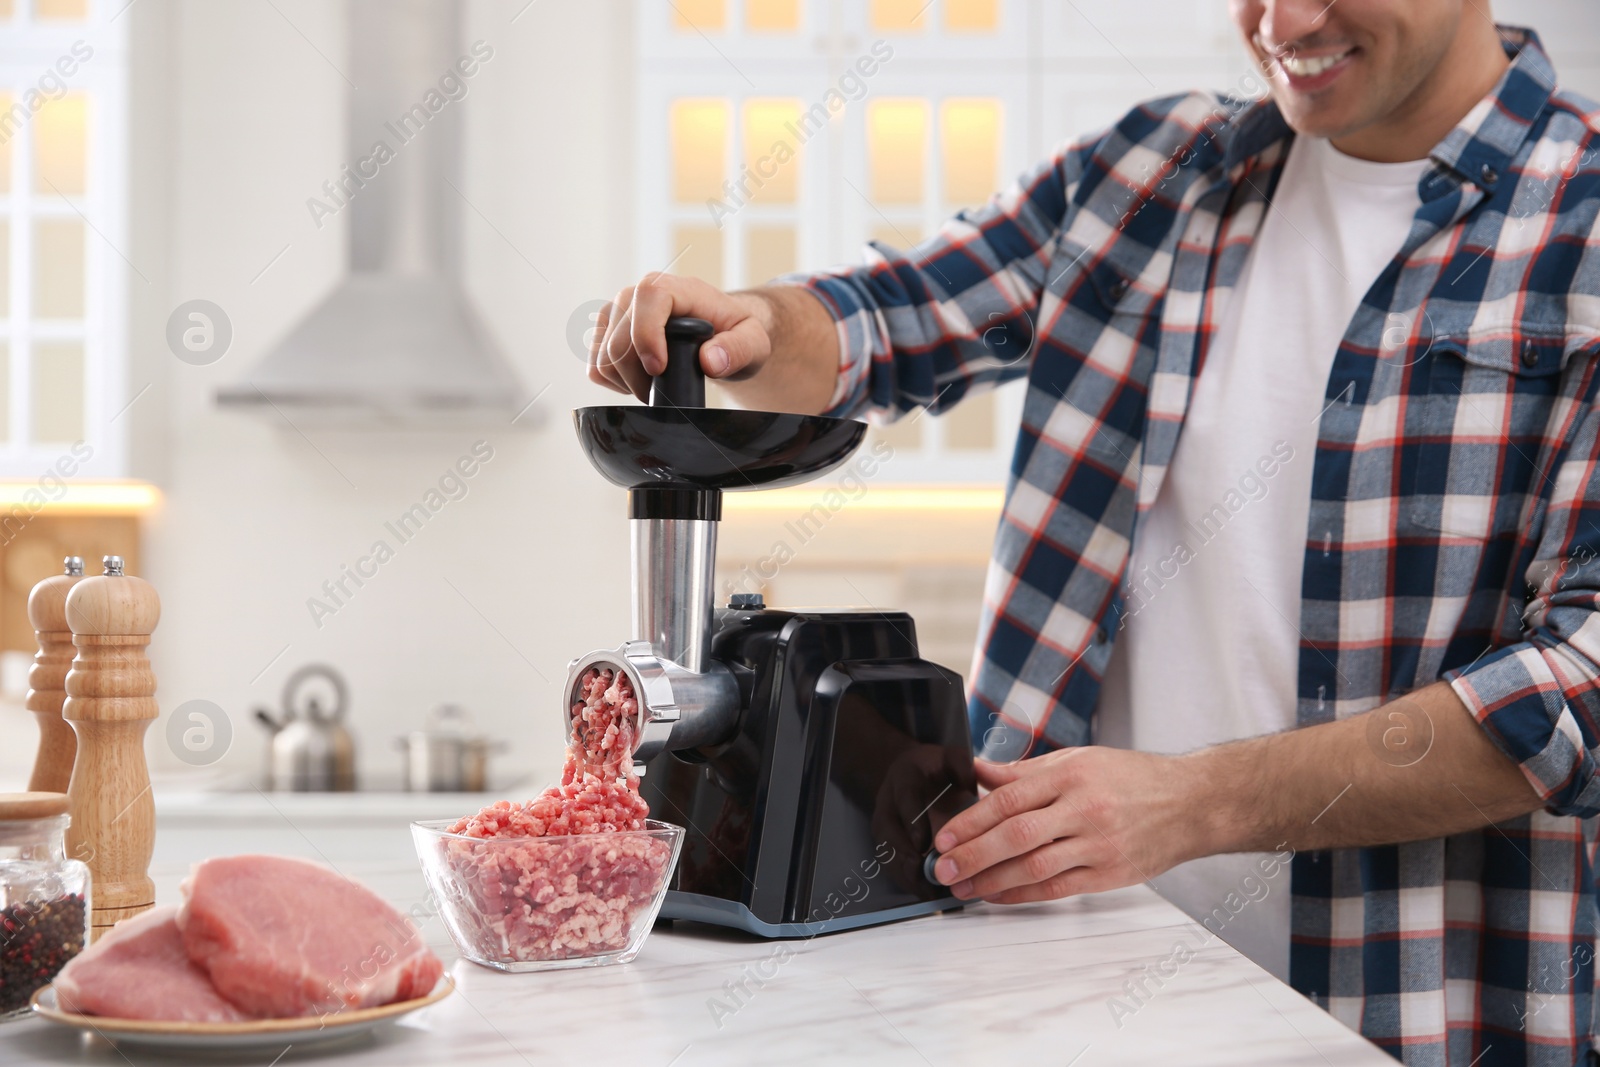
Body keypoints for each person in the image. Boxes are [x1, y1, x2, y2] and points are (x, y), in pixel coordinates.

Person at [588, 2, 1600, 1063]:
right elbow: (889, 317)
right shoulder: (1154, 170)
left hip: (1403, 1019)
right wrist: (749, 322)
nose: (1284, 20)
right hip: (1056, 1001)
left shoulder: (1577, 225)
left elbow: (1576, 689)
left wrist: (1193, 800)